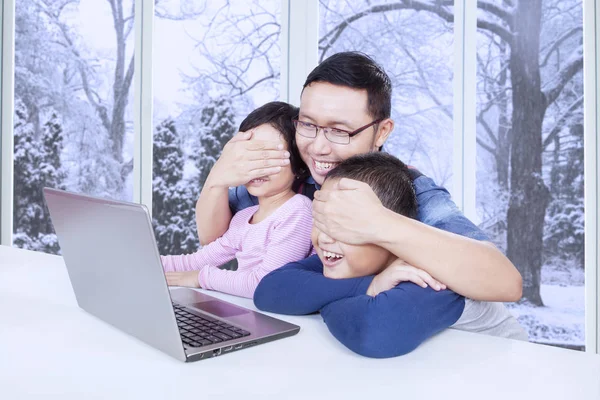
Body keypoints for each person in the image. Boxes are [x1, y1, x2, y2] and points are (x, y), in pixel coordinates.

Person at [195, 51, 522, 303]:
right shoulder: (295, 179)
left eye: (339, 131)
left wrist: (378, 223)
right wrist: (216, 181)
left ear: (382, 131)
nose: (318, 147)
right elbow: (219, 240)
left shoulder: (411, 190)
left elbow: (506, 282)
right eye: (307, 125)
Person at [254, 152, 528, 358]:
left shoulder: (426, 269)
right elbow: (269, 290)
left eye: (343, 225)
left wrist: (319, 297)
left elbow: (374, 331)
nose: (325, 237)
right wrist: (369, 287)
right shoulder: (350, 259)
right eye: (321, 220)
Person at [160, 102, 313, 299]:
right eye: (249, 155)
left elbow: (266, 284)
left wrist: (201, 278)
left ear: (299, 165)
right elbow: (195, 261)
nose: (257, 167)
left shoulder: (298, 211)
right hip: (247, 308)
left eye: (269, 157)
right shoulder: (243, 218)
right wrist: (149, 264)